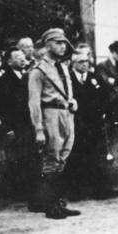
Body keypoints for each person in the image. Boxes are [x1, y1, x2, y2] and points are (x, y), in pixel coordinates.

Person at [27, 28, 81, 219]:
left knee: (63, 159)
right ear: (47, 44)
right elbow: (34, 102)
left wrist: (73, 101)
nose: (62, 46)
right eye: (58, 42)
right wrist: (39, 129)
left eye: (64, 43)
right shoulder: (38, 71)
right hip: (50, 114)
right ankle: (49, 206)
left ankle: (58, 202)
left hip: (66, 114)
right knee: (51, 159)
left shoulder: (63, 67)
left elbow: (68, 90)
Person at [66, 50, 109, 199]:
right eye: (81, 62)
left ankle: (98, 189)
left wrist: (102, 112)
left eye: (86, 62)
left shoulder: (95, 79)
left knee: (95, 156)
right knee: (76, 157)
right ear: (73, 64)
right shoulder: (68, 80)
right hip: (76, 124)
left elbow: (107, 96)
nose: (85, 64)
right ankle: (76, 191)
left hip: (94, 124)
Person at [0, 47, 33, 198]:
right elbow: (1, 108)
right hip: (16, 125)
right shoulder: (4, 82)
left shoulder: (28, 76)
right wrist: (8, 128)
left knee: (30, 156)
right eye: (17, 57)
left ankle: (28, 190)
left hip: (29, 123)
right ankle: (19, 192)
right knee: (19, 157)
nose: (22, 59)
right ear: (9, 62)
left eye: (23, 56)